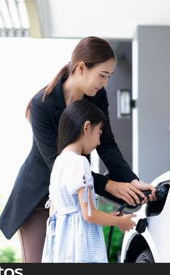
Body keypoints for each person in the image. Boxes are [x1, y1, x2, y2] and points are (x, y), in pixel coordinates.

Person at [0, 36, 156, 263]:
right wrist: (111, 186)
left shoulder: (97, 96)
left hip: (76, 199)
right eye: (103, 75)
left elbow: (107, 143)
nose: (105, 84)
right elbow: (58, 164)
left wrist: (131, 183)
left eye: (109, 76)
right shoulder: (41, 105)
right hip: (40, 199)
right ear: (81, 68)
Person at [42, 100, 137, 262]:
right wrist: (119, 221)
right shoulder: (80, 163)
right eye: (99, 133)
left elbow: (60, 211)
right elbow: (89, 214)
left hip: (62, 247)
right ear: (87, 127)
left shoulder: (59, 163)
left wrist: (107, 216)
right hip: (80, 248)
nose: (99, 142)